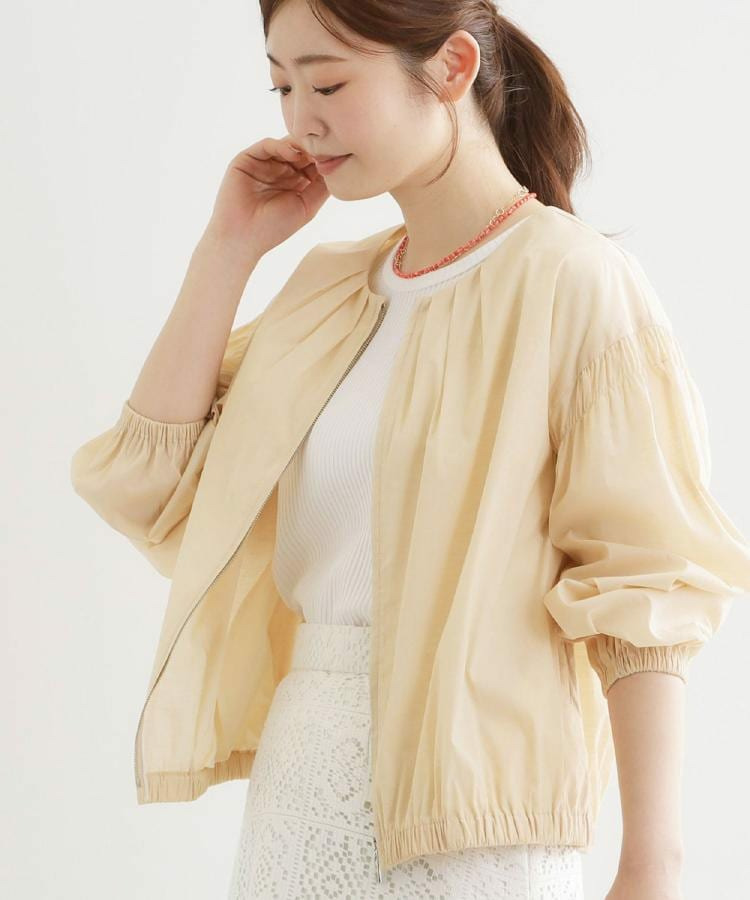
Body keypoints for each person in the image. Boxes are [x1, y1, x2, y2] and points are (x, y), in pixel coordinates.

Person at [69, 1, 750, 898]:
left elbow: (646, 583)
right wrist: (228, 248)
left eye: (328, 84)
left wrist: (652, 867)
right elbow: (152, 489)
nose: (301, 120)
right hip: (299, 796)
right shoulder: (326, 291)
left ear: (452, 67)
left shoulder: (571, 280)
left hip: (478, 818)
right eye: (281, 88)